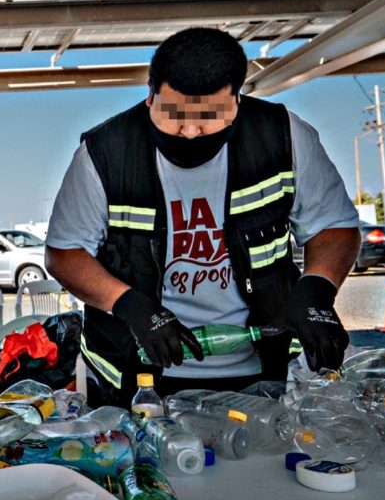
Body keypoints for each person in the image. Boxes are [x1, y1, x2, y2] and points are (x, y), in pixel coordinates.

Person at [45, 27, 360, 407]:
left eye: (209, 117)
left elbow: (333, 226)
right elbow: (65, 253)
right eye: (174, 117)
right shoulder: (104, 154)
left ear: (236, 102)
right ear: (150, 96)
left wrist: (317, 289)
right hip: (139, 375)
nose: (191, 133)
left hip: (263, 365)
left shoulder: (283, 137)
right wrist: (128, 304)